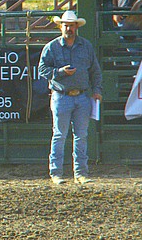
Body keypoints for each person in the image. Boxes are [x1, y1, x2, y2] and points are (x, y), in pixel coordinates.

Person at [38, 10, 102, 186]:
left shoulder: (86, 46)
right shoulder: (52, 47)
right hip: (62, 96)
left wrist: (97, 90)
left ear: (76, 27)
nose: (69, 28)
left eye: (72, 25)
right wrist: (59, 73)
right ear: (61, 26)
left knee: (80, 135)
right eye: (66, 25)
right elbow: (42, 69)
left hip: (81, 96)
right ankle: (56, 173)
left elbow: (95, 71)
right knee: (60, 135)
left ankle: (80, 173)